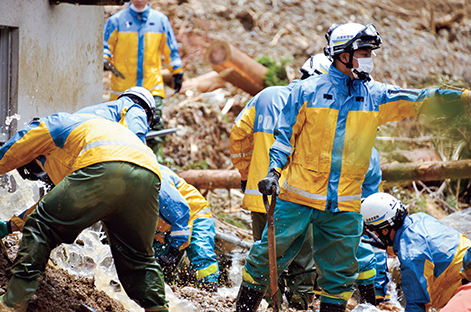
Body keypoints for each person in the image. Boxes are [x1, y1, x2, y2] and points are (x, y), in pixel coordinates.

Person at [236, 21, 471, 312]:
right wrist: (273, 172)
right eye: (362, 52)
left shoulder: (375, 96)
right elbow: (285, 138)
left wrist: (461, 98)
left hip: (345, 204)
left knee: (340, 272)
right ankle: (243, 308)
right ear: (342, 54)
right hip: (298, 196)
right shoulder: (306, 92)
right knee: (267, 255)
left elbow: (418, 99)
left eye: (370, 52)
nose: (368, 59)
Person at [0, 112, 168, 311]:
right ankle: (158, 308)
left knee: (41, 227)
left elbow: (10, 153)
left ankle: (12, 304)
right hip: (149, 173)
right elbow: (54, 208)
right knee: (138, 258)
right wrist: (10, 226)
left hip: (106, 165)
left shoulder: (50, 125)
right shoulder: (86, 136)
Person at [230, 53, 330, 310]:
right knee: (302, 257)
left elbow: (238, 135)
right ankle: (298, 303)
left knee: (263, 254)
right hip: (299, 196)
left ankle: (263, 304)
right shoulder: (322, 105)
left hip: (260, 192)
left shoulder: (266, 96)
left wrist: (246, 175)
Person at [361, 192, 471, 312]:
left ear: (385, 230)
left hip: (462, 289)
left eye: (374, 232)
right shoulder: (420, 218)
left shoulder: (411, 257)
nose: (375, 236)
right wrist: (389, 248)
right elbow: (419, 243)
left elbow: (417, 305)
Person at [103, 0, 184, 125]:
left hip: (151, 88)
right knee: (121, 130)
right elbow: (105, 45)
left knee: (154, 129)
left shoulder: (160, 21)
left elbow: (171, 49)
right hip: (123, 89)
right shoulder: (116, 21)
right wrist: (104, 59)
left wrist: (177, 71)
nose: (140, 0)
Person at [154, 164, 220, 292]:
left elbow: (180, 216)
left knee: (200, 252)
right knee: (156, 255)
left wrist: (174, 250)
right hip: (167, 224)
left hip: (195, 215)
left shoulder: (159, 182)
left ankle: (209, 290)